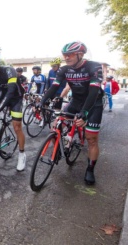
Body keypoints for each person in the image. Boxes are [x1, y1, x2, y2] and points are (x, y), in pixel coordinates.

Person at [39, 41, 104, 185]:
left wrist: (85, 113)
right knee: (56, 125)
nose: (66, 58)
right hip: (76, 101)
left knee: (91, 138)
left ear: (80, 54)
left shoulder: (94, 67)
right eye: (64, 55)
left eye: (70, 55)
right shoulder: (64, 70)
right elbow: (54, 87)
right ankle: (60, 147)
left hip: (94, 103)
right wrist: (42, 102)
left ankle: (90, 169)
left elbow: (93, 93)